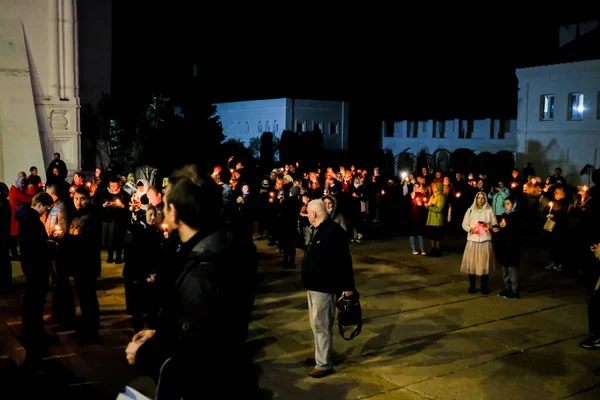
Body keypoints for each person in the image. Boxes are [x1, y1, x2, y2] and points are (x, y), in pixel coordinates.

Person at [124, 165, 259, 398]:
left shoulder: (202, 273)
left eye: (164, 204)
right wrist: (161, 333)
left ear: (174, 212)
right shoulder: (222, 246)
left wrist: (144, 353)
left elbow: (195, 354)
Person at [302, 199, 355, 378]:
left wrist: (348, 287)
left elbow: (344, 261)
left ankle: (323, 364)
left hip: (324, 287)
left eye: (308, 212)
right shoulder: (320, 230)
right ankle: (321, 356)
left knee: (321, 325)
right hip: (314, 286)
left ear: (314, 214)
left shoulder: (332, 232)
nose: (307, 215)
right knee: (316, 325)